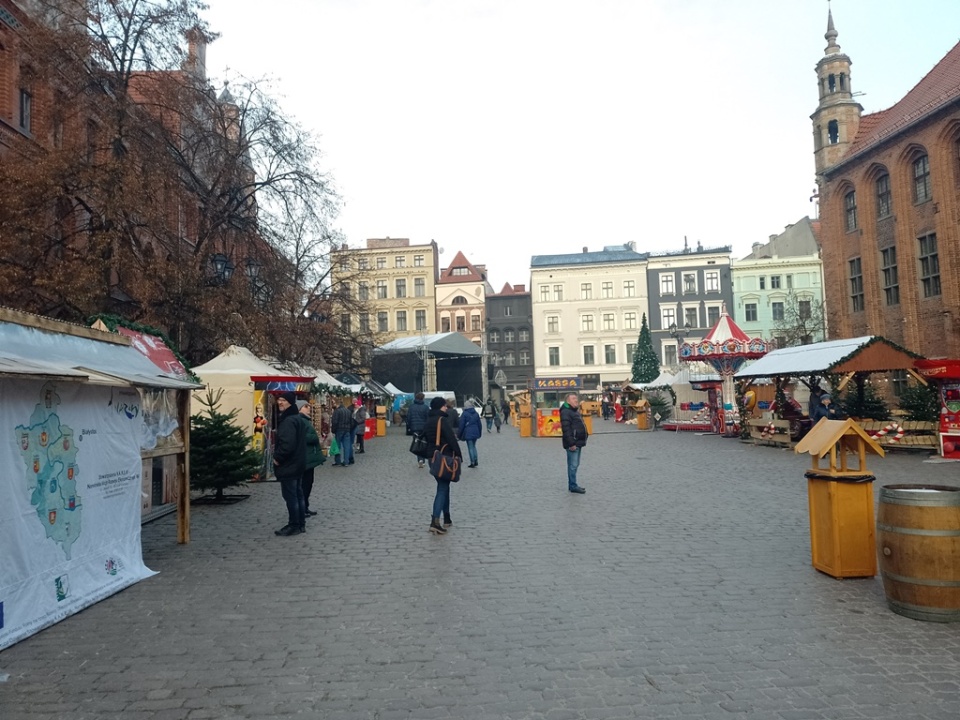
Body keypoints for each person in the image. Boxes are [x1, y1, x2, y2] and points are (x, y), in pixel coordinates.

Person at [427, 396, 462, 534]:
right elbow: (451, 439)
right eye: (444, 405)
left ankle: (447, 517)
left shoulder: (429, 420)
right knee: (442, 488)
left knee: (444, 486)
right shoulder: (442, 420)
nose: (446, 407)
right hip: (443, 457)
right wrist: (459, 455)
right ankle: (435, 521)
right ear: (439, 407)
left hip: (432, 457)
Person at [273, 392, 307, 535]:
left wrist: (278, 458)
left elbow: (288, 444)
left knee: (291, 496)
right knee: (298, 494)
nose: (280, 402)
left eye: (284, 400)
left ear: (290, 403)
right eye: (279, 400)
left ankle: (294, 524)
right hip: (298, 463)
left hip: (289, 465)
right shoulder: (297, 418)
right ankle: (300, 524)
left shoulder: (288, 421)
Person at [298, 400, 324, 517]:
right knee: (305, 484)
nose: (309, 408)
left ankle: (305, 506)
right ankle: (302, 508)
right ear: (299, 408)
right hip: (305, 457)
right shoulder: (300, 421)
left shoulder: (304, 420)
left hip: (308, 458)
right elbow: (302, 436)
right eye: (306, 406)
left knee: (308, 483)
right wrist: (314, 437)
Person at [560, 393, 588, 494]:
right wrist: (571, 443)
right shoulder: (566, 411)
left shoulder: (573, 410)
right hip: (573, 443)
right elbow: (566, 429)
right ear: (568, 401)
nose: (576, 400)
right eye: (573, 398)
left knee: (574, 464)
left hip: (578, 441)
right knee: (573, 465)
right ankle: (573, 485)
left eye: (576, 398)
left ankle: (572, 484)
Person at [406, 392, 430, 468]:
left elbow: (409, 418)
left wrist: (409, 426)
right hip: (424, 428)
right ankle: (423, 459)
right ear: (423, 398)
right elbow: (428, 418)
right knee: (424, 443)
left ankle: (419, 459)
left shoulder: (411, 407)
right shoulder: (425, 407)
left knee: (417, 443)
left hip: (415, 428)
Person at [330, 396, 355, 467]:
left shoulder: (337, 411)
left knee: (337, 446)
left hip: (339, 430)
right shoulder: (348, 411)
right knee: (346, 445)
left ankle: (338, 461)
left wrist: (333, 430)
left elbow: (335, 422)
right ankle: (346, 461)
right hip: (347, 430)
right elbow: (351, 422)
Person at [458, 399, 483, 468]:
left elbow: (461, 425)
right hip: (475, 432)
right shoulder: (476, 414)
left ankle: (472, 462)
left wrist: (459, 434)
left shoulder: (464, 414)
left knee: (470, 447)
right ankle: (476, 460)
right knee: (474, 447)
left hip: (468, 432)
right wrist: (479, 433)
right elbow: (479, 425)